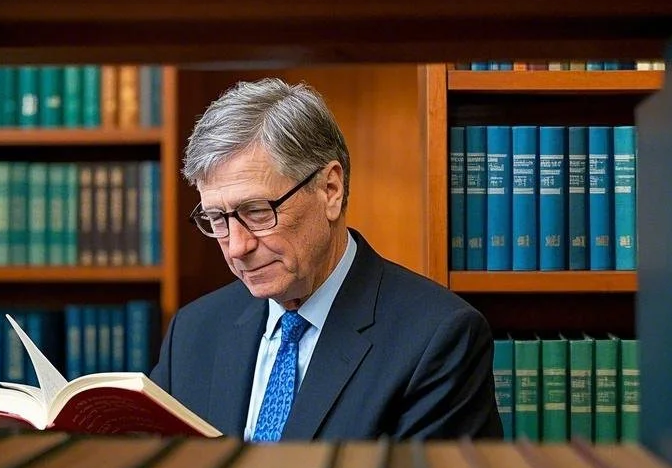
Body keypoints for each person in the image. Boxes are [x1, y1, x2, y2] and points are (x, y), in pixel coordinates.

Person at [150, 78, 502, 441]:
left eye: (256, 211)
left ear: (330, 189)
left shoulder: (438, 338)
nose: (237, 247)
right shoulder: (193, 332)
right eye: (217, 219)